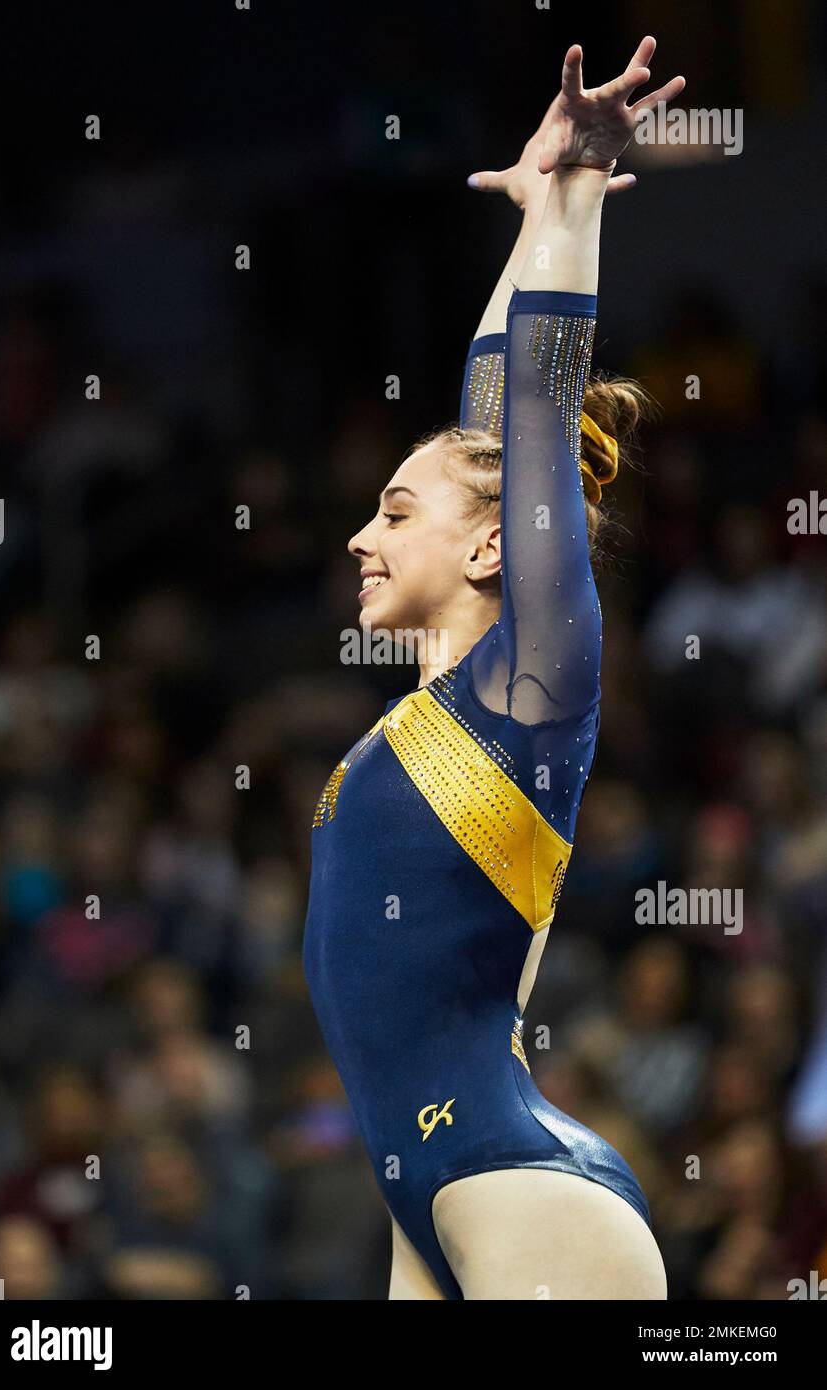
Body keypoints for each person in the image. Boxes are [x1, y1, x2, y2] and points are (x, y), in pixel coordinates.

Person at [303, 37, 685, 1300]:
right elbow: (494, 418)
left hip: (528, 1202)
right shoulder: (440, 717)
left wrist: (573, 199)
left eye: (392, 511)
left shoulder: (535, 683)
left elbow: (527, 403)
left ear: (486, 544)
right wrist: (532, 216)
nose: (361, 535)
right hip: (434, 1204)